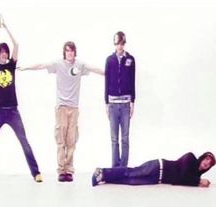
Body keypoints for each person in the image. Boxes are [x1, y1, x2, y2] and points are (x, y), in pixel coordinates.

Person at [20, 41, 104, 182]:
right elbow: (42, 65)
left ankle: (69, 171)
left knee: (71, 140)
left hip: (74, 108)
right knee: (61, 140)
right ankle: (61, 170)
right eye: (67, 51)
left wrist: (113, 73)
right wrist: (25, 67)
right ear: (64, 53)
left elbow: (95, 69)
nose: (69, 53)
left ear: (74, 52)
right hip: (61, 108)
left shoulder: (80, 65)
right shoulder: (58, 64)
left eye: (72, 51)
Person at [0, 16, 42, 182]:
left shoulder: (10, 66)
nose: (3, 54)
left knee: (24, 141)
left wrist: (6, 28)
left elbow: (16, 45)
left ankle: (36, 173)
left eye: (5, 52)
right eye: (1, 52)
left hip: (13, 111)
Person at [92, 152, 215, 187]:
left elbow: (180, 180)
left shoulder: (194, 176)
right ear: (202, 157)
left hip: (157, 179)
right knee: (131, 172)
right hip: (158, 167)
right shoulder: (190, 157)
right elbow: (180, 179)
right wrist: (199, 182)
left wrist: (197, 180)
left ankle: (106, 179)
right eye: (206, 159)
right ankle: (102, 172)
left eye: (209, 164)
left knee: (131, 181)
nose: (206, 163)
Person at [105, 31, 136, 167]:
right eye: (117, 43)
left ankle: (123, 167)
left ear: (124, 43)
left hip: (125, 104)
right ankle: (115, 167)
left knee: (125, 138)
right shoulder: (110, 60)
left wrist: (132, 101)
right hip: (112, 103)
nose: (119, 46)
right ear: (115, 43)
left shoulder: (130, 59)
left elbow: (132, 80)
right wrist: (106, 102)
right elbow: (106, 81)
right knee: (114, 139)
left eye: (121, 43)